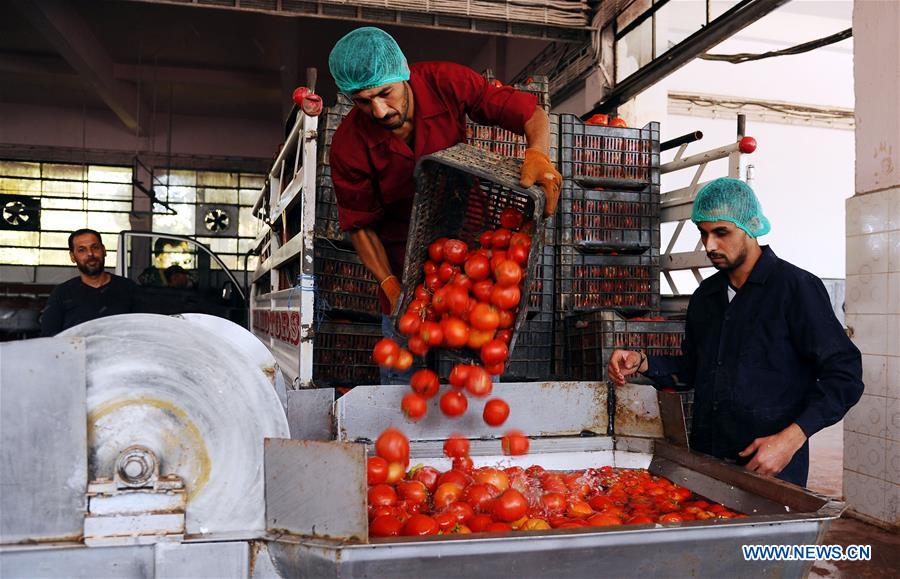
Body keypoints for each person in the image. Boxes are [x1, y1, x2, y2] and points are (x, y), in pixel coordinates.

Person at [327, 27, 561, 383]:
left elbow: (531, 113)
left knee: (474, 370)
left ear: (402, 73)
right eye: (362, 100)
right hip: (403, 261)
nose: (378, 110)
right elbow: (359, 223)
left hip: (471, 251)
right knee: (401, 380)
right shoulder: (348, 145)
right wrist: (390, 282)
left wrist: (538, 153)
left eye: (385, 93)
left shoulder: (446, 81)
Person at [607, 178, 863, 487]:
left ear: (750, 227)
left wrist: (791, 438)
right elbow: (693, 371)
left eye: (721, 232)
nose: (709, 245)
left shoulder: (795, 289)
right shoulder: (706, 297)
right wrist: (644, 361)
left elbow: (845, 375)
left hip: (771, 469)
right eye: (703, 233)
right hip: (710, 463)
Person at [40, 229, 136, 336]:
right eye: (82, 250)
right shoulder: (62, 293)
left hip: (119, 352)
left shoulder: (129, 288)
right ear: (73, 257)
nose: (90, 254)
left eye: (95, 247)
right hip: (77, 352)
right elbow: (48, 337)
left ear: (104, 250)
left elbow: (143, 331)